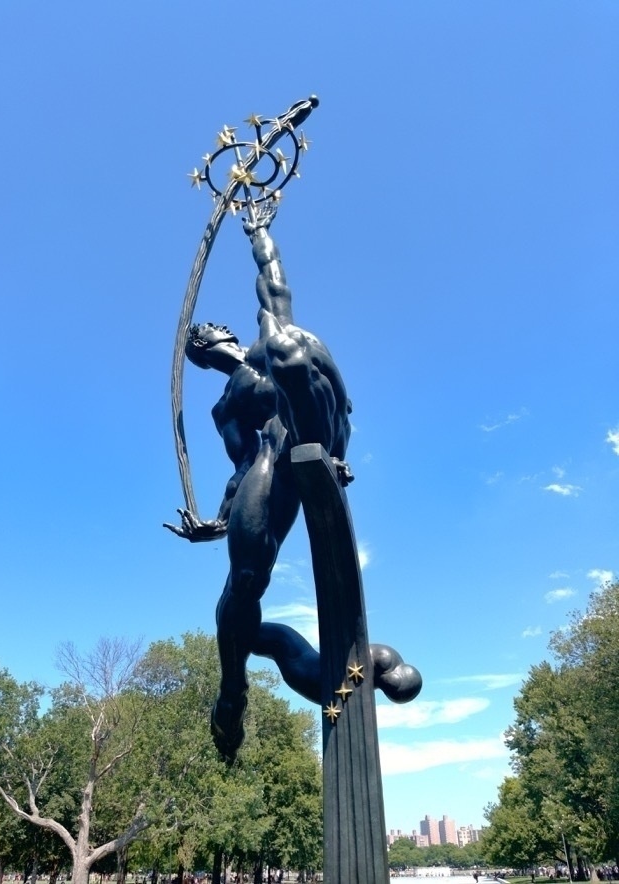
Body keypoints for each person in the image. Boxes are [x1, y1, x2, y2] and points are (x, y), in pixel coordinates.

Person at [165, 202, 420, 760]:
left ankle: (325, 455)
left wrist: (258, 230)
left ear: (221, 334)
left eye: (203, 336)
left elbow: (271, 276)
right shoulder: (224, 408)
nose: (201, 344)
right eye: (195, 347)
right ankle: (233, 689)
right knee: (243, 580)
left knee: (288, 345)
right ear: (201, 361)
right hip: (274, 458)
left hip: (316, 423)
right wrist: (219, 522)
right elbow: (240, 470)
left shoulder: (267, 332)